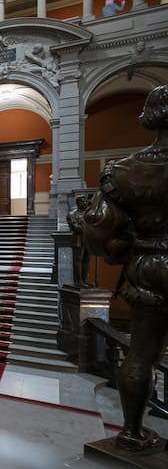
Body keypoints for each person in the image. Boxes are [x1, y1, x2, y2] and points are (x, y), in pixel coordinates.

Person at [81, 84, 168, 452]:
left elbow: (99, 233)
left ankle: (132, 432)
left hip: (147, 266)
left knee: (142, 354)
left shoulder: (125, 171)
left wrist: (121, 252)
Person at [66, 194, 92, 287]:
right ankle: (78, 281)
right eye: (82, 202)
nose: (85, 203)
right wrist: (89, 227)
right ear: (77, 203)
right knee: (78, 260)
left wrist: (85, 226)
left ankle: (85, 280)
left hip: (88, 240)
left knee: (87, 260)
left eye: (86, 201)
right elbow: (77, 228)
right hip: (78, 240)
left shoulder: (90, 214)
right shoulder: (72, 214)